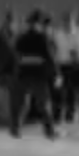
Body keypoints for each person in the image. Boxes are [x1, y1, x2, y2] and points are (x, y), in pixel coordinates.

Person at [11, 11, 57, 139]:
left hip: (23, 74)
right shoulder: (43, 38)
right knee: (44, 104)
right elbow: (50, 57)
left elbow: (16, 56)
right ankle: (49, 131)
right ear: (39, 24)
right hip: (38, 75)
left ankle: (16, 129)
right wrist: (56, 73)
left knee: (22, 104)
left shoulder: (21, 38)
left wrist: (17, 71)